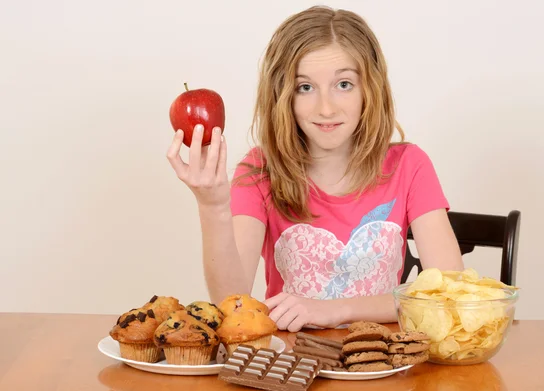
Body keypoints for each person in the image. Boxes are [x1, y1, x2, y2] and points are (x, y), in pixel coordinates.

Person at [167, 6, 464, 332]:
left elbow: (447, 295)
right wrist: (213, 207)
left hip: (382, 366)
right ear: (283, 96)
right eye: (305, 87)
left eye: (344, 84)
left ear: (371, 89)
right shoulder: (260, 170)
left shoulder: (409, 165)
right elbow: (231, 301)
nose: (326, 108)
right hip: (291, 366)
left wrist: (336, 310)